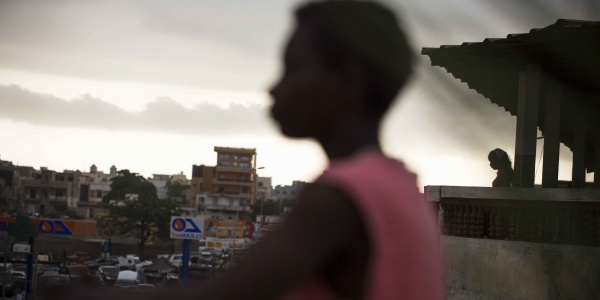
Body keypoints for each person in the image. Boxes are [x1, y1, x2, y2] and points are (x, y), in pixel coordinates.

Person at [69, 1, 444, 299]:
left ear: (347, 79)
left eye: (292, 68)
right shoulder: (402, 191)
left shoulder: (336, 200)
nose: (274, 88)